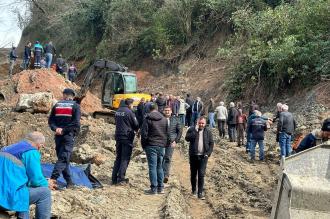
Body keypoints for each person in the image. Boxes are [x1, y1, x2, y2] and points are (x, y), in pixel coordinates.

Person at [0, 132, 53, 219]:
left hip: (4, 193)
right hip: (6, 199)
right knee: (45, 193)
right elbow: (36, 180)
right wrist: (47, 183)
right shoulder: (31, 152)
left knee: (22, 191)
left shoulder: (5, 149)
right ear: (40, 145)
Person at [48, 88, 81, 188]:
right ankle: (53, 179)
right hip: (68, 135)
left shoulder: (57, 105)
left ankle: (69, 182)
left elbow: (50, 121)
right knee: (63, 158)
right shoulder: (75, 106)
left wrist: (56, 128)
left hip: (58, 136)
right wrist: (64, 130)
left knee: (63, 158)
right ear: (72, 96)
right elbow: (76, 123)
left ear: (64, 95)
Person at [141, 103, 168, 194]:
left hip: (151, 145)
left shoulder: (147, 119)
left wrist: (143, 145)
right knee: (159, 167)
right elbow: (167, 133)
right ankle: (161, 188)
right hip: (161, 146)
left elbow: (144, 134)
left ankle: (154, 188)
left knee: (152, 167)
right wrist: (165, 144)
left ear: (149, 109)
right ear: (157, 109)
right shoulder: (164, 119)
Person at [111, 98, 139, 185]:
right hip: (127, 137)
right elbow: (136, 124)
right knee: (125, 158)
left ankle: (114, 178)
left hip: (118, 136)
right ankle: (121, 178)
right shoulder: (129, 112)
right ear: (130, 104)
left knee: (118, 157)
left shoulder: (118, 111)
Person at [185, 117, 214, 200]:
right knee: (193, 174)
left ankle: (200, 192)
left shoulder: (208, 131)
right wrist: (195, 131)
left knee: (201, 174)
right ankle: (194, 190)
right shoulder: (192, 129)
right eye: (200, 123)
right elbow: (187, 139)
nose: (201, 124)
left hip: (203, 157)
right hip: (193, 155)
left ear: (205, 124)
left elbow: (211, 143)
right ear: (197, 123)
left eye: (202, 123)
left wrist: (207, 154)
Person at [163, 106, 183, 183]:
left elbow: (180, 131)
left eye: (168, 110)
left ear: (171, 111)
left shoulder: (176, 119)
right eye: (166, 110)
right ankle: (161, 174)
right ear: (164, 111)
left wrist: (176, 141)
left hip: (171, 142)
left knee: (167, 158)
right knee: (161, 158)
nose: (167, 112)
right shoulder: (161, 119)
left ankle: (166, 175)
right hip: (161, 142)